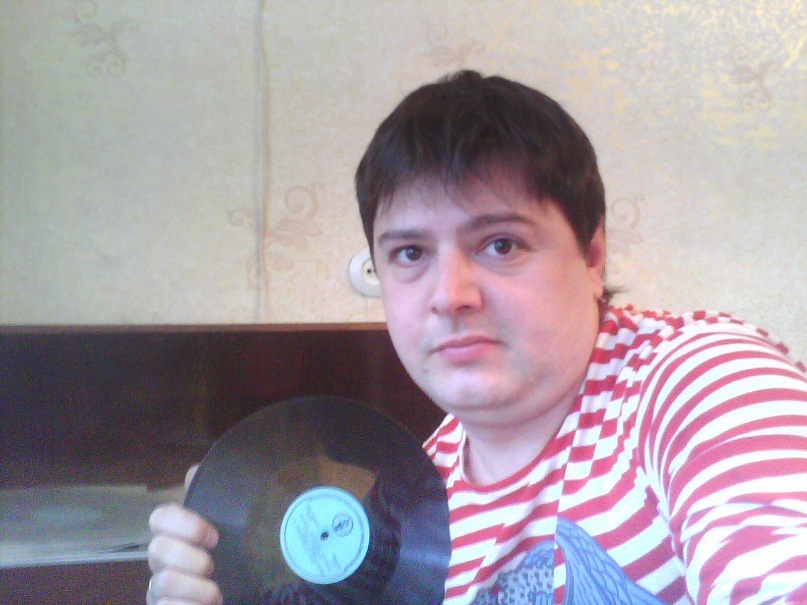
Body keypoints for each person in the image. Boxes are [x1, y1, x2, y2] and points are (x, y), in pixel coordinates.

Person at [147, 70, 807, 605]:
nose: (448, 294)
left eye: (500, 244)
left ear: (591, 256)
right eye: (409, 253)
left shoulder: (705, 380)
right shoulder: (409, 500)